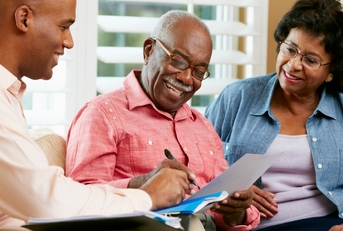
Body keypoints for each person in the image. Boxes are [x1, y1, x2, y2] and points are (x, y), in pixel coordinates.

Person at [0, 0, 203, 229]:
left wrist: (144, 186)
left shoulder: (9, 95)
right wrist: (149, 197)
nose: (70, 42)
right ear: (24, 19)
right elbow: (47, 202)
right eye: (63, 27)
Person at [66, 10, 260, 231]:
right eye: (178, 61)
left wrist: (237, 211)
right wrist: (143, 184)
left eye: (198, 72)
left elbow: (226, 215)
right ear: (149, 50)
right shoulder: (101, 114)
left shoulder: (203, 127)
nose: (187, 78)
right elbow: (80, 198)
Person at [205, 0, 343, 230]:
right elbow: (195, 160)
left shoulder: (340, 106)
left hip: (328, 223)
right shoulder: (237, 97)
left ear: (332, 70)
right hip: (252, 225)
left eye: (310, 60)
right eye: (290, 49)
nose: (293, 65)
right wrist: (231, 187)